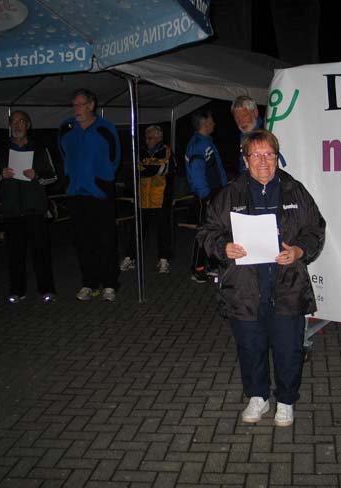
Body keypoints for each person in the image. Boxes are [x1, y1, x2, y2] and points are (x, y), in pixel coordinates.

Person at [197, 129, 326, 427]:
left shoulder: (295, 191)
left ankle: (286, 400)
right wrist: (223, 247)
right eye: (256, 155)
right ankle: (257, 396)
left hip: (287, 286)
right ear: (245, 160)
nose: (263, 161)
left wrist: (299, 250)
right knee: (250, 346)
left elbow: (315, 228)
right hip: (244, 289)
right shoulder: (229, 194)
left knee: (289, 348)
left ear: (277, 157)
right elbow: (206, 232)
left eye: (269, 154)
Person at [0, 111, 57, 303]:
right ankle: (17, 291)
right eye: (13, 122)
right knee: (15, 254)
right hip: (11, 210)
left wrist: (37, 176)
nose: (17, 125)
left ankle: (46, 289)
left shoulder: (40, 148)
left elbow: (53, 176)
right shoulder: (1, 149)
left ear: (28, 125)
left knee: (40, 252)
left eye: (21, 121)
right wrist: (1, 174)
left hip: (35, 209)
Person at [59, 88, 121, 302]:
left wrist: (102, 182)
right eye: (74, 104)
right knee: (82, 241)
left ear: (91, 105)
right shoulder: (66, 128)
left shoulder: (106, 128)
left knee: (106, 240)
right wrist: (70, 180)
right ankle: (89, 283)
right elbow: (64, 155)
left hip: (100, 194)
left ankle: (110, 284)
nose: (76, 108)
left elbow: (114, 157)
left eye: (80, 104)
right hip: (76, 194)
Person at [120, 125, 175, 274]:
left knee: (163, 230)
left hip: (160, 197)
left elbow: (164, 169)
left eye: (150, 138)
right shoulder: (141, 151)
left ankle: (164, 260)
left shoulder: (166, 151)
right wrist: (152, 168)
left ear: (159, 137)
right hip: (143, 198)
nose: (147, 140)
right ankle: (129, 258)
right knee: (137, 230)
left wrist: (147, 167)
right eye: (146, 138)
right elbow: (136, 170)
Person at [185, 110, 227, 283]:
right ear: (204, 123)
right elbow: (197, 174)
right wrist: (207, 196)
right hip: (207, 195)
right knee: (204, 232)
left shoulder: (206, 142)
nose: (214, 123)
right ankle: (197, 268)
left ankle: (213, 264)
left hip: (215, 193)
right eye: (211, 120)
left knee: (215, 230)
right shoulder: (199, 146)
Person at [231, 96, 263, 175]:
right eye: (237, 118)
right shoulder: (243, 136)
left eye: (244, 116)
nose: (241, 121)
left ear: (255, 113)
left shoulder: (265, 134)